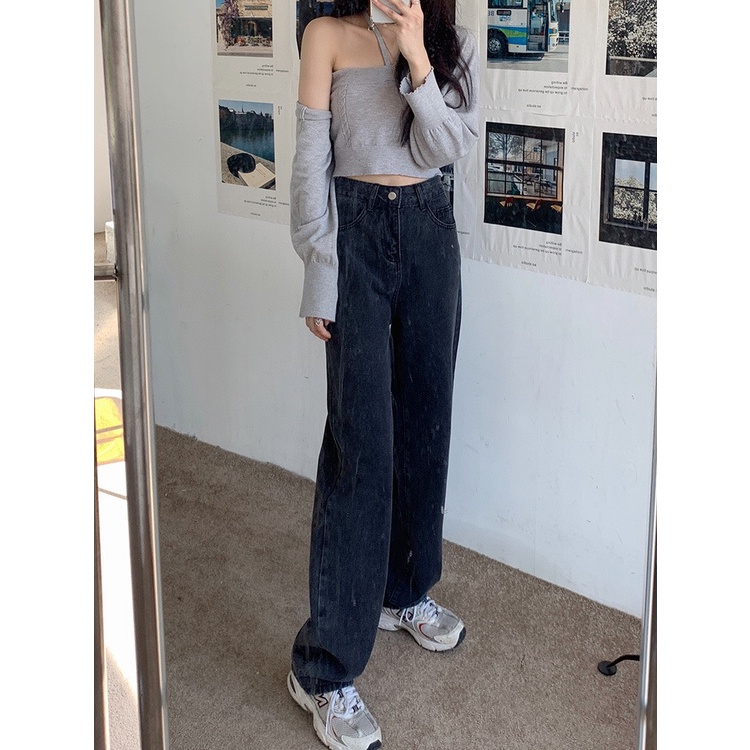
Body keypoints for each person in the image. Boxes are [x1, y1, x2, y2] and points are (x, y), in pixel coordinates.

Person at [288, 0, 478, 747]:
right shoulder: (325, 36)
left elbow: (444, 149)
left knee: (426, 431)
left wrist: (418, 56)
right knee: (360, 449)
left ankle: (404, 592)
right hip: (356, 238)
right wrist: (320, 272)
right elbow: (310, 163)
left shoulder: (446, 42)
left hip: (430, 234)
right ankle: (323, 669)